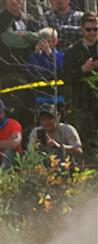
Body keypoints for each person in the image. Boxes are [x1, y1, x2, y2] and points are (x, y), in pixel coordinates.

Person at [0, 0, 42, 129]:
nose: (15, 1)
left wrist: (26, 35)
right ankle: (12, 145)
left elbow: (41, 36)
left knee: (30, 112)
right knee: (13, 111)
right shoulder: (0, 19)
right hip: (10, 71)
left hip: (31, 71)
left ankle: (27, 146)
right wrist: (32, 40)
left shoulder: (29, 19)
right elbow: (11, 41)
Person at [62, 12, 98, 156]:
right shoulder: (72, 51)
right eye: (89, 29)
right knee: (88, 137)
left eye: (96, 29)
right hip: (83, 100)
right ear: (82, 29)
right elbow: (66, 77)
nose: (92, 32)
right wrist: (83, 69)